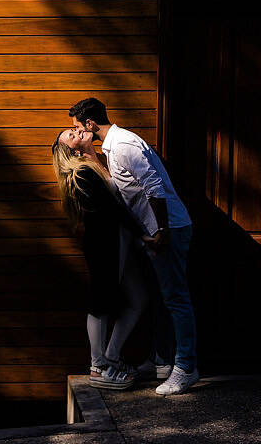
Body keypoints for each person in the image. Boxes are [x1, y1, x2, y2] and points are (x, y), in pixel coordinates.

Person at [68, 97, 200, 395]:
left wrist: (162, 229)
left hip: (168, 229)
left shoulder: (123, 145)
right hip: (154, 231)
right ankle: (162, 360)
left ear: (90, 124)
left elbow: (154, 187)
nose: (77, 131)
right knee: (162, 299)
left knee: (176, 299)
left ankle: (186, 367)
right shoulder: (111, 148)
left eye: (78, 126)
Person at [50, 125, 155, 390]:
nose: (77, 131)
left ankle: (112, 356)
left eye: (75, 129)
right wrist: (142, 234)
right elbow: (111, 209)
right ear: (70, 151)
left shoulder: (96, 162)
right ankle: (98, 367)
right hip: (106, 244)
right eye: (71, 135)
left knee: (139, 298)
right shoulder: (82, 173)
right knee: (101, 301)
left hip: (121, 241)